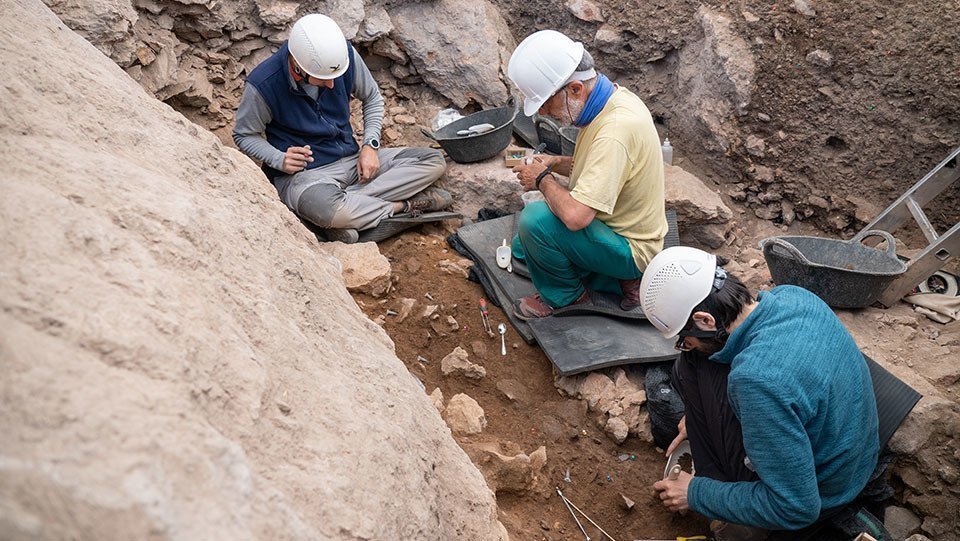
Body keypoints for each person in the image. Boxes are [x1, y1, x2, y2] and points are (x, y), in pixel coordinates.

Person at [642, 247, 882, 540]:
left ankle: (738, 522)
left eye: (684, 338)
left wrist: (696, 492)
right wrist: (696, 420)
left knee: (694, 363)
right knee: (693, 362)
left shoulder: (756, 380)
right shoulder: (795, 296)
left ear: (706, 320)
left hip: (823, 492)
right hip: (851, 458)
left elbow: (796, 507)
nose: (686, 344)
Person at [233, 14, 451, 244]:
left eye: (335, 77)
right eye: (322, 79)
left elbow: (373, 98)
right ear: (297, 68)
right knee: (327, 208)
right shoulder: (264, 84)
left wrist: (370, 145)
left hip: (352, 160)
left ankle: (345, 217)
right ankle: (402, 207)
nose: (332, 85)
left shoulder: (342, 57)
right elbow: (244, 135)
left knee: (432, 161)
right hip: (306, 177)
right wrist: (278, 159)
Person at [505, 30, 668, 319]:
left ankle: (569, 297)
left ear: (576, 89)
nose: (543, 112)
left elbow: (576, 218)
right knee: (521, 248)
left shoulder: (614, 131)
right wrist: (555, 162)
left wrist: (542, 179)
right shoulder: (611, 101)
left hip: (630, 248)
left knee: (534, 222)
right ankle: (611, 278)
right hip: (612, 229)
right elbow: (600, 168)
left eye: (545, 103)